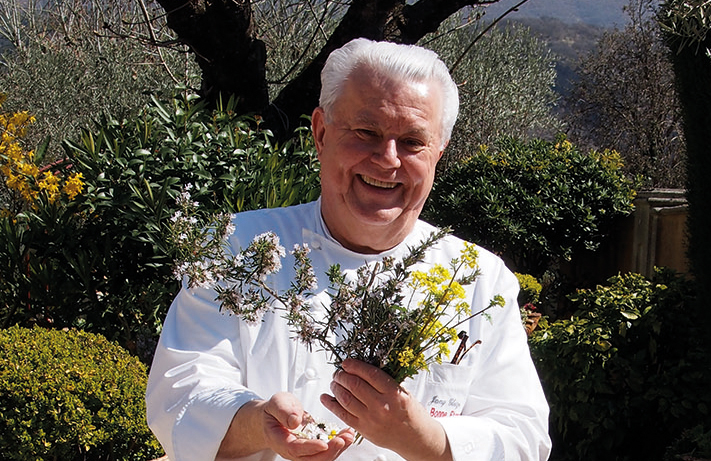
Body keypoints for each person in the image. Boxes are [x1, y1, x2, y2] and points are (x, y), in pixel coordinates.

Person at [146, 38, 551, 461]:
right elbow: (180, 394)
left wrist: (419, 436)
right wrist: (259, 424)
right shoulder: (236, 248)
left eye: (413, 142)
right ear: (320, 133)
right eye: (366, 133)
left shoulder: (480, 278)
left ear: (438, 154)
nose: (388, 159)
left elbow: (523, 435)